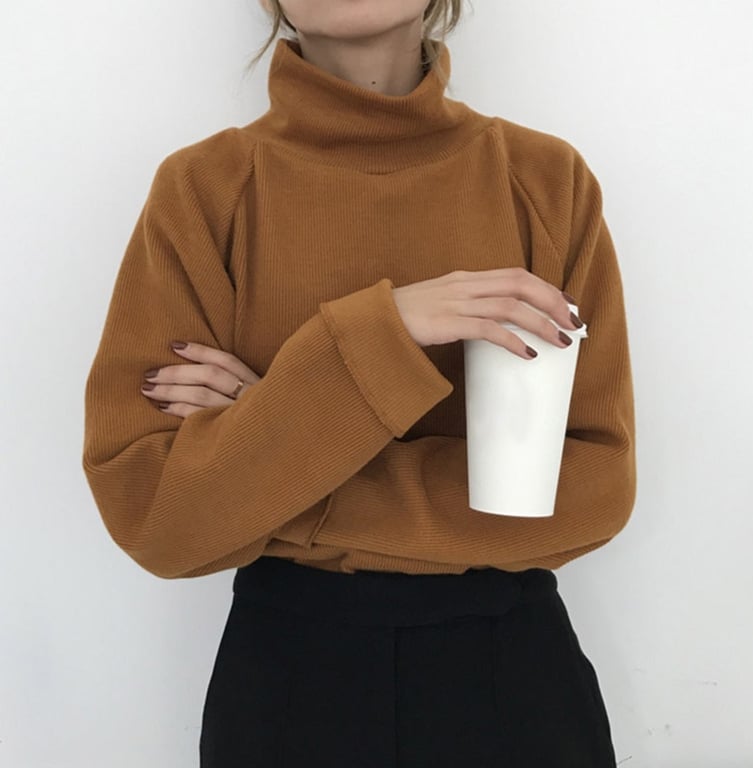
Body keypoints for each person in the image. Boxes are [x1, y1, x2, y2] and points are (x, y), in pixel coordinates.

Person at [82, 1, 636, 765]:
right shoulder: (204, 189)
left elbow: (592, 491)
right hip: (284, 683)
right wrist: (384, 331)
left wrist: (268, 438)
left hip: (511, 679)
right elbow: (154, 517)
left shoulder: (543, 179)